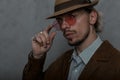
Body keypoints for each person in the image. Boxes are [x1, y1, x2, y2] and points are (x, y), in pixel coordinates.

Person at [22, 0, 120, 80]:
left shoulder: (116, 63)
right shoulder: (61, 62)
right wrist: (37, 57)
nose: (64, 26)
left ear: (92, 17)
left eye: (71, 17)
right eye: (60, 20)